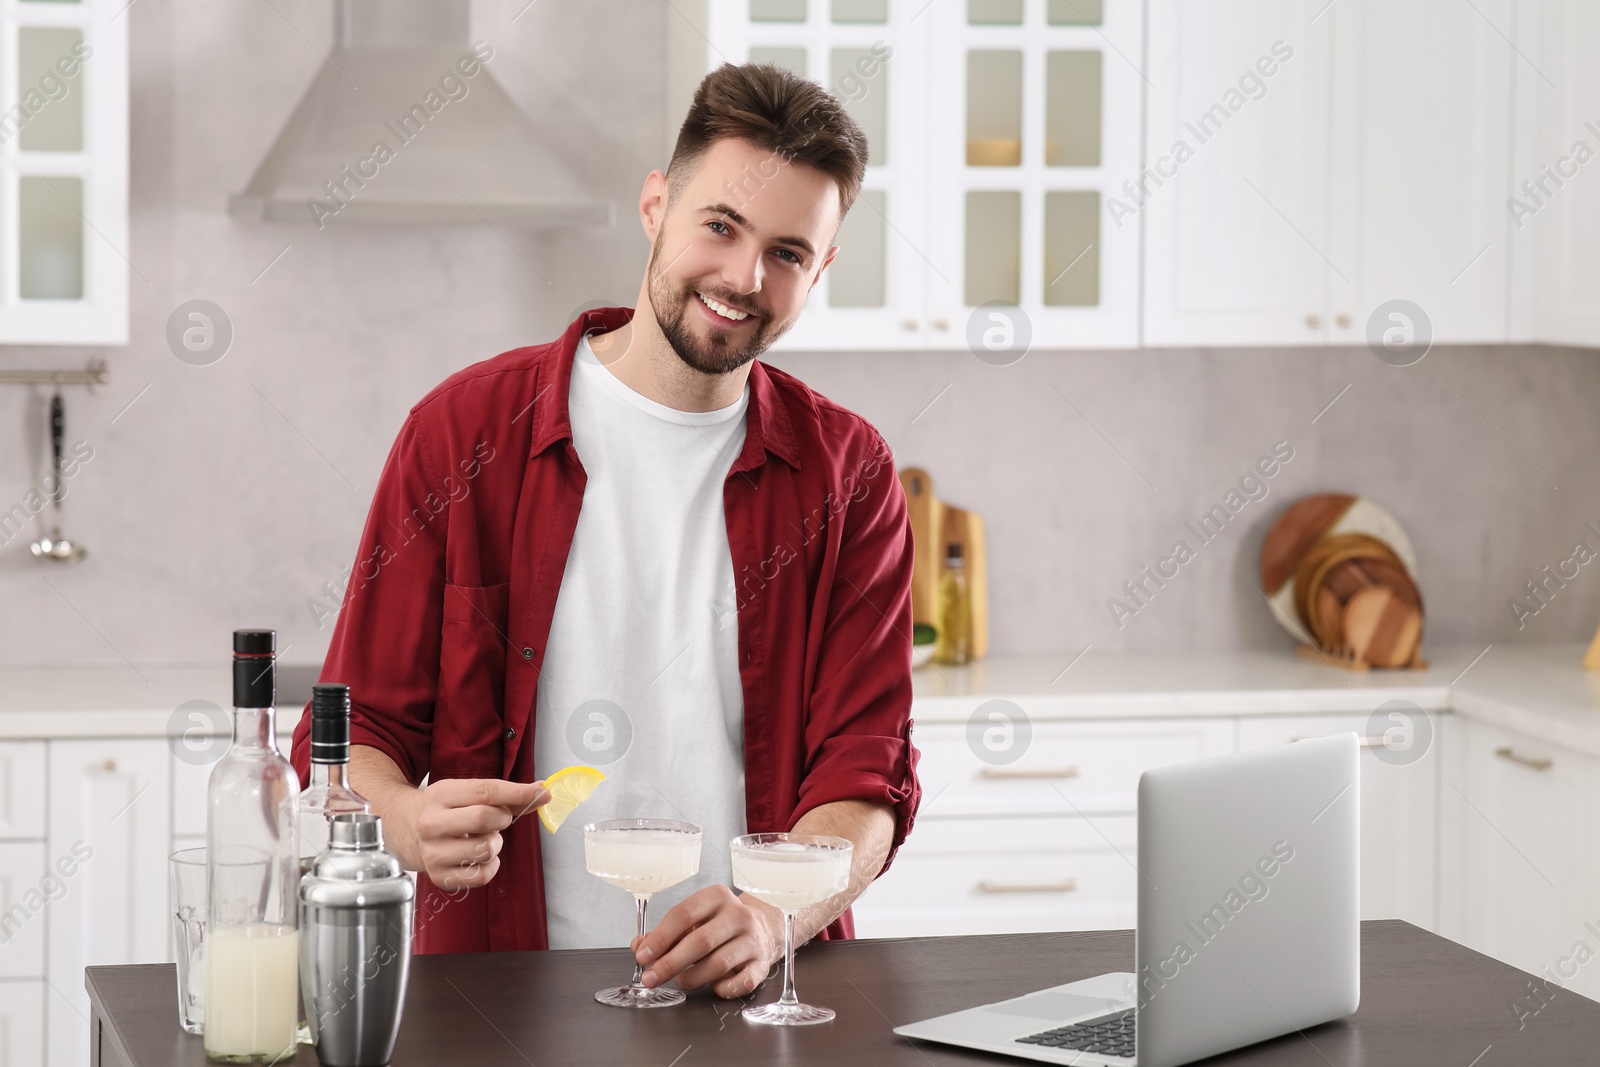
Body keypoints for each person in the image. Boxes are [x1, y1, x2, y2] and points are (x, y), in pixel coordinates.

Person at [290, 61, 921, 1000]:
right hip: (498, 998)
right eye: (720, 225)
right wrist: (405, 820)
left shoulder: (852, 475)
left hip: (750, 997)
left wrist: (772, 913)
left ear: (820, 271)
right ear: (656, 207)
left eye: (788, 253)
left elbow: (866, 778)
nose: (744, 277)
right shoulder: (463, 434)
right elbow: (351, 733)